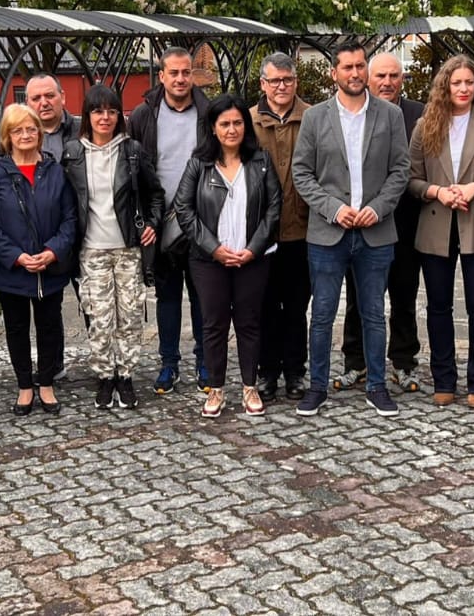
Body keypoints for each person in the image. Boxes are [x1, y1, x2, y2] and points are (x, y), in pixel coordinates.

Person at [291, 40, 411, 417]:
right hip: (329, 233)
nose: (356, 73)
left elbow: (400, 170)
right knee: (323, 313)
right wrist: (333, 208)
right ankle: (318, 387)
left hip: (375, 232)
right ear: (334, 73)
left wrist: (377, 209)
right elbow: (302, 173)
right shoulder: (315, 118)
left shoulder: (390, 116)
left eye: (361, 66)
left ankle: (376, 386)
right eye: (348, 67)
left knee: (374, 313)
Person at [407, 56, 474, 408]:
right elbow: (410, 178)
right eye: (457, 83)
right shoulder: (426, 125)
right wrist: (437, 191)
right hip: (436, 223)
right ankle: (444, 380)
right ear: (445, 87)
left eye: (470, 82)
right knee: (438, 307)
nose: (464, 89)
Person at [176, 94, 283, 417]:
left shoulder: (261, 162)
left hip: (253, 258)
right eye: (224, 123)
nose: (232, 129)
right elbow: (184, 209)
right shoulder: (199, 163)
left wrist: (253, 249)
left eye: (237, 122)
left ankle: (250, 387)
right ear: (213, 127)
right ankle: (216, 389)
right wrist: (214, 249)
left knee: (250, 322)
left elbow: (274, 209)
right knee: (214, 324)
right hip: (209, 260)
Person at [62, 85, 163, 411]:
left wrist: (152, 223)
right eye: (97, 111)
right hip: (91, 249)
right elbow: (65, 201)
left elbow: (155, 193)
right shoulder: (73, 153)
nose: (104, 117)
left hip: (127, 248)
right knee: (100, 318)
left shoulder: (132, 151)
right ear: (87, 116)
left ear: (119, 115)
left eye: (111, 111)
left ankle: (127, 376)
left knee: (130, 316)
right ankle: (105, 377)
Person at [337, 52, 427, 394]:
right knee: (359, 299)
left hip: (405, 224)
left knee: (404, 297)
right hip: (360, 224)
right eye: (381, 76)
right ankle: (355, 362)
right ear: (369, 79)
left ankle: (404, 362)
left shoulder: (419, 114)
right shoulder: (354, 112)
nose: (387, 82)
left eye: (394, 76)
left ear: (402, 78)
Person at [0, 103, 79, 416]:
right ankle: (25, 386)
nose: (25, 135)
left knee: (50, 326)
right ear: (7, 137)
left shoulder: (54, 171)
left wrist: (52, 251)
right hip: (13, 268)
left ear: (39, 133)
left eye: (31, 128)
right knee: (17, 327)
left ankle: (46, 383)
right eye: (18, 130)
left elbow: (70, 218)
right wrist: (17, 256)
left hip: (50, 265)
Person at [128, 47, 211, 393]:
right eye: (173, 73)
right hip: (160, 220)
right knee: (167, 296)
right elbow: (132, 170)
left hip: (202, 217)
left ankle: (206, 362)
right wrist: (143, 219)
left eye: (186, 72)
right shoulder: (144, 115)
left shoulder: (208, 112)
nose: (180, 79)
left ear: (192, 75)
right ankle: (168, 363)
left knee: (204, 296)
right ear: (161, 76)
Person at [250, 52, 312, 402]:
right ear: (263, 84)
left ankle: (295, 371)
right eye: (275, 80)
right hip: (262, 233)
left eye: (288, 80)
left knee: (297, 306)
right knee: (264, 305)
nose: (282, 86)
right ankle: (266, 371)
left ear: (296, 82)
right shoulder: (248, 120)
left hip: (303, 230)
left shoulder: (315, 117)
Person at [25, 73, 79, 162]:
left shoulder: (84, 130)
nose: (44, 103)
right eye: (36, 98)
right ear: (27, 103)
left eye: (50, 96)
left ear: (62, 97)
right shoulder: (17, 137)